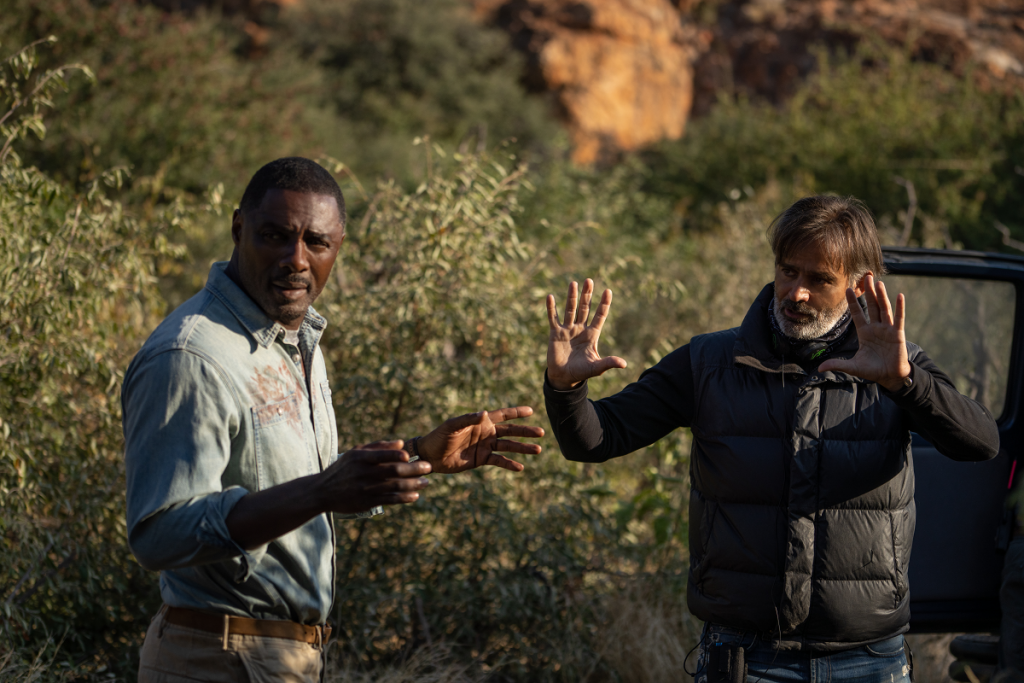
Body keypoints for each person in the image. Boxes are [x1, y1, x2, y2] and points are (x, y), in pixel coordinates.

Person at [543, 195, 1000, 683]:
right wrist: (566, 389)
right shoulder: (709, 363)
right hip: (746, 659)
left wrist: (906, 384)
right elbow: (595, 440)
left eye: (819, 279)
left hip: (868, 661)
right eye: (788, 271)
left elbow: (981, 443)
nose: (795, 293)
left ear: (858, 286)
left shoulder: (895, 366)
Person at [123, 157, 544, 683]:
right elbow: (158, 534)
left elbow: (287, 481)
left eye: (316, 243)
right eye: (275, 236)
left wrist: (416, 456)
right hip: (215, 658)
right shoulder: (191, 356)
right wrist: (322, 492)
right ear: (238, 229)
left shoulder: (296, 339)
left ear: (338, 245)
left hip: (283, 661)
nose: (295, 259)